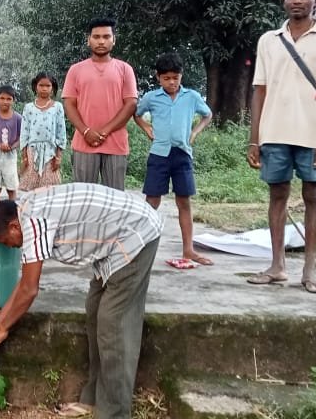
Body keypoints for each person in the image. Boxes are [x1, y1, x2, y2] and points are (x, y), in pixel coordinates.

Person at [0, 183, 163, 419]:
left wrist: (1, 327)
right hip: (115, 243)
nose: (9, 247)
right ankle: (94, 399)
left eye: (5, 241)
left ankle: (114, 416)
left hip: (137, 234)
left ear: (13, 225)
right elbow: (24, 286)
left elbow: (29, 289)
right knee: (95, 310)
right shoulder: (24, 208)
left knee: (114, 324)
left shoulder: (32, 221)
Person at [246, 0, 316, 294]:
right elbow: (259, 90)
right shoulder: (269, 40)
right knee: (277, 196)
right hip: (274, 131)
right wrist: (254, 138)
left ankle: (309, 269)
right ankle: (277, 266)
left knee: (312, 194)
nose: (297, 0)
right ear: (284, 0)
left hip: (314, 133)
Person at [133, 53, 213, 265]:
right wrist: (147, 128)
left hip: (182, 155)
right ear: (158, 77)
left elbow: (208, 115)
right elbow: (137, 114)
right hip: (159, 155)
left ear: (181, 76)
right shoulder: (151, 97)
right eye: (166, 78)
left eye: (175, 78)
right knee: (152, 201)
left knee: (183, 201)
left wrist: (195, 133)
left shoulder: (192, 96)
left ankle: (188, 249)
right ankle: (138, 246)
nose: (171, 82)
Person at [62, 18, 139, 190]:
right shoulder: (76, 70)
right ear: (88, 40)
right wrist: (86, 131)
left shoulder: (125, 69)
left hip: (116, 144)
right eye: (96, 37)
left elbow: (131, 104)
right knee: (83, 197)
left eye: (106, 36)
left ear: (114, 40)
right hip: (83, 143)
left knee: (114, 199)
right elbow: (69, 104)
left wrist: (104, 131)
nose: (101, 41)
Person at [19, 72, 67, 191]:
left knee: (50, 189)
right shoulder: (28, 107)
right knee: (31, 189)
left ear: (53, 88)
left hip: (50, 152)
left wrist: (58, 157)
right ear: (36, 86)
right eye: (41, 85)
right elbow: (24, 133)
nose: (44, 89)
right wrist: (24, 157)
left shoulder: (57, 107)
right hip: (32, 152)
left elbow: (61, 132)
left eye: (48, 86)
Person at [0, 86, 21, 203]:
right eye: (2, 98)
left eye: (9, 99)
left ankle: (13, 216)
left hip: (10, 156)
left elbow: (22, 138)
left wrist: (12, 146)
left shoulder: (18, 118)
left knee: (11, 189)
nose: (5, 101)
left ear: (13, 100)